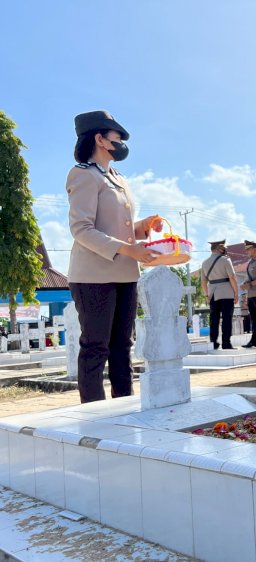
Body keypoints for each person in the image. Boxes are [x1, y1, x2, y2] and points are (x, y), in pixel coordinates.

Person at [66, 110, 163, 403]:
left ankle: (125, 406)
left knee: (123, 346)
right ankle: (93, 414)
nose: (120, 142)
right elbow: (81, 229)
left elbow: (117, 227)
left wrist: (142, 229)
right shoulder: (82, 174)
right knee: (96, 347)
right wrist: (127, 248)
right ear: (100, 139)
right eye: (116, 137)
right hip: (93, 276)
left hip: (124, 274)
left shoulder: (118, 178)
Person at [200, 240, 239, 350]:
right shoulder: (225, 260)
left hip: (212, 293)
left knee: (214, 319)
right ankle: (226, 343)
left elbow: (203, 282)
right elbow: (232, 277)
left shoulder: (204, 262)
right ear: (219, 248)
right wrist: (236, 293)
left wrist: (207, 295)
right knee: (227, 319)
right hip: (226, 293)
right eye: (223, 247)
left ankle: (213, 343)